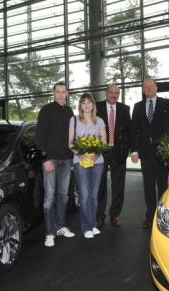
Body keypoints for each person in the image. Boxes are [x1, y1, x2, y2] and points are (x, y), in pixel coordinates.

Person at [35, 82, 76, 247]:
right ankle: (50, 232)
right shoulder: (46, 110)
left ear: (66, 93)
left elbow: (72, 136)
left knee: (63, 196)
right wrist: (45, 159)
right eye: (57, 92)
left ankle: (60, 226)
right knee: (49, 198)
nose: (60, 95)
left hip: (66, 160)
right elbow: (39, 136)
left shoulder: (69, 111)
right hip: (51, 160)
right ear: (53, 93)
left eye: (63, 92)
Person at [130, 78, 169, 228]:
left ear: (156, 87)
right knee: (148, 186)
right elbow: (134, 130)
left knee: (162, 186)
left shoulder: (166, 104)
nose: (148, 88)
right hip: (145, 153)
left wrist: (168, 151)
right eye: (145, 87)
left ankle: (163, 217)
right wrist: (134, 151)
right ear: (143, 89)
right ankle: (150, 216)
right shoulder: (138, 106)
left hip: (162, 152)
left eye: (151, 86)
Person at [69, 93, 107, 238]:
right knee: (84, 195)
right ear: (80, 105)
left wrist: (96, 154)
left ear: (93, 105)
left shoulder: (100, 121)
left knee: (94, 195)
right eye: (83, 102)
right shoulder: (74, 120)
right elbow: (70, 143)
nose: (86, 105)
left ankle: (92, 224)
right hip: (80, 162)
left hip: (97, 162)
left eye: (89, 102)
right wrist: (81, 154)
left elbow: (104, 143)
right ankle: (87, 227)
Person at [95, 85, 131, 227]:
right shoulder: (96, 107)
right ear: (105, 93)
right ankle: (99, 215)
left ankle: (115, 214)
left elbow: (129, 129)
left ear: (119, 95)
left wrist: (127, 147)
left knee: (118, 185)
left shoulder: (125, 109)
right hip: (100, 152)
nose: (113, 95)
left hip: (119, 152)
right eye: (111, 92)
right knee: (100, 184)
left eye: (116, 93)